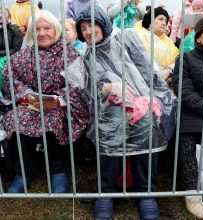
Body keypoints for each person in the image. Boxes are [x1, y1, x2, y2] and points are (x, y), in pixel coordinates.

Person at [76, 6, 176, 220]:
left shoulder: (124, 39)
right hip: (108, 108)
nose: (88, 32)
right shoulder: (86, 55)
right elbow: (87, 89)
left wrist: (155, 96)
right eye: (83, 28)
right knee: (111, 124)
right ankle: (107, 192)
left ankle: (146, 192)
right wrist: (106, 88)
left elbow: (146, 69)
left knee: (147, 122)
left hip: (140, 101)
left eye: (92, 25)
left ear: (103, 23)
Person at [2, 10, 88, 193]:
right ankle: (25, 170)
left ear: (55, 30)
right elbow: (10, 76)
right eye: (37, 29)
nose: (42, 33)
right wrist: (26, 96)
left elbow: (78, 84)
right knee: (17, 118)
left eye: (47, 28)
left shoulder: (69, 54)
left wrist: (58, 99)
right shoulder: (25, 55)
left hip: (61, 106)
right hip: (31, 104)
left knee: (53, 118)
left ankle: (58, 170)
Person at [173, 15, 203, 219]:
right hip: (193, 111)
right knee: (188, 140)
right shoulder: (185, 58)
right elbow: (184, 92)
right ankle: (192, 192)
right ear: (199, 36)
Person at [136, 7, 179, 85]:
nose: (164, 23)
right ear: (150, 21)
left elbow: (176, 60)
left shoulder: (168, 41)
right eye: (160, 19)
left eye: (166, 21)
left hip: (163, 83)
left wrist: (169, 72)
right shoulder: (138, 35)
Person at [0, 6, 23, 90]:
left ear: (8, 18)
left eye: (1, 18)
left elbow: (17, 49)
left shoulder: (14, 30)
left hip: (11, 56)